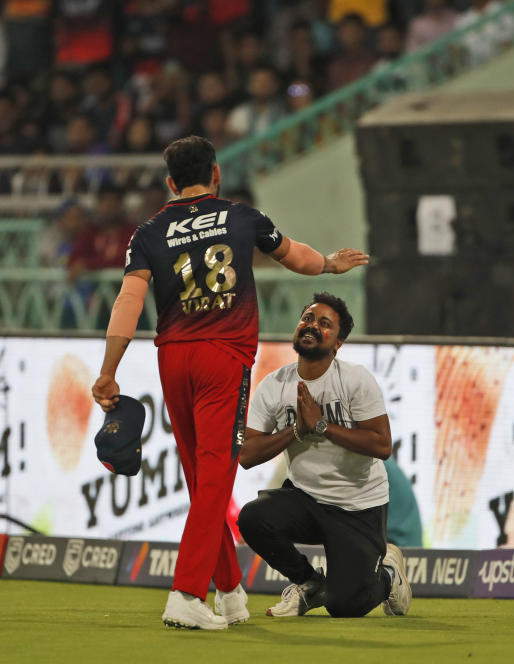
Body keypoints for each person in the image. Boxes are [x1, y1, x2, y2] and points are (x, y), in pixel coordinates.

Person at [90, 136, 368, 630]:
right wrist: (330, 263)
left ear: (171, 182)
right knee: (217, 476)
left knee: (201, 480)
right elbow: (296, 256)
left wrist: (109, 369)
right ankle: (185, 594)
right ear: (216, 174)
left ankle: (229, 592)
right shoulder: (242, 217)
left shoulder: (149, 233)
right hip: (224, 356)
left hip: (172, 357)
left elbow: (128, 301)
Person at [236, 292, 411, 619]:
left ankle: (388, 574)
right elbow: (246, 455)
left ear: (338, 343)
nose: (312, 325)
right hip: (306, 499)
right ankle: (309, 582)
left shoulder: (355, 380)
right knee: (252, 518)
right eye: (307, 318)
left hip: (357, 506)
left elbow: (381, 445)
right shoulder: (275, 385)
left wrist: (322, 425)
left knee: (345, 606)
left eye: (324, 323)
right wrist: (297, 431)